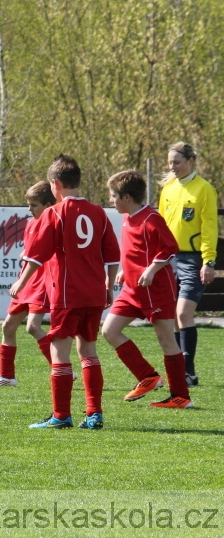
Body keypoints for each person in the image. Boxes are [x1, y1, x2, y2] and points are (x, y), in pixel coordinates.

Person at [10, 155, 120, 430]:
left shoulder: (53, 213)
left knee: (60, 352)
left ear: (54, 184)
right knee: (89, 351)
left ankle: (61, 416)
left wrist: (20, 284)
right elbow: (111, 257)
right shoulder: (99, 212)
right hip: (94, 293)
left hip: (67, 294)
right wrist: (108, 288)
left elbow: (36, 256)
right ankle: (94, 414)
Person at [102, 170, 191, 408]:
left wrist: (151, 269)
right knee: (109, 331)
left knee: (166, 341)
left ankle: (180, 397)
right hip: (132, 289)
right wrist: (125, 269)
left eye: (114, 195)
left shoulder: (151, 219)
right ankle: (148, 376)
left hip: (156, 290)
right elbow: (137, 251)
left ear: (127, 197)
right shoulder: (128, 217)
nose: (111, 200)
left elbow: (170, 248)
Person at [158, 142, 218, 388]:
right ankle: (180, 370)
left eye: (177, 162)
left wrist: (209, 261)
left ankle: (189, 372)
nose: (173, 167)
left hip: (193, 260)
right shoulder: (168, 188)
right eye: (170, 163)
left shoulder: (204, 189)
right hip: (168, 260)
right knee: (171, 315)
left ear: (191, 161)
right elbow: (159, 226)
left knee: (183, 313)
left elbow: (209, 228)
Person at [0, 181, 56, 387]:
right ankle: (7, 377)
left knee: (33, 327)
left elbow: (46, 254)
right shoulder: (31, 223)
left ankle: (61, 369)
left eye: (34, 204)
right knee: (8, 326)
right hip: (27, 281)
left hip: (42, 281)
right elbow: (32, 251)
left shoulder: (54, 223)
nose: (29, 209)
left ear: (48, 205)